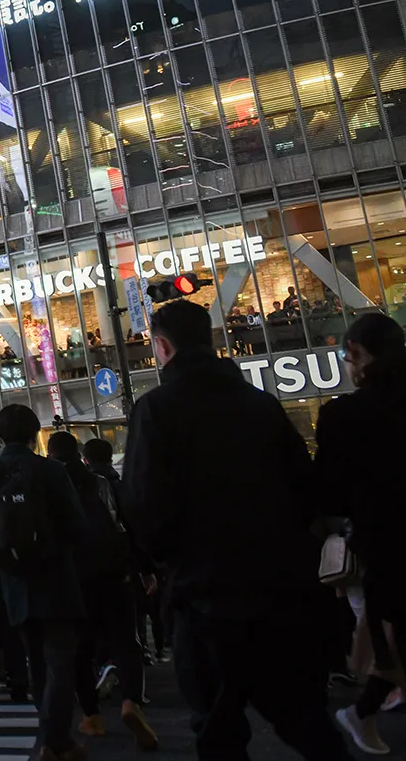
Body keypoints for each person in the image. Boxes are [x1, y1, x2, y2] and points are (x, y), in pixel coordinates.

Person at [123, 299, 353, 761]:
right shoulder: (259, 403)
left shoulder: (156, 410)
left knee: (217, 728)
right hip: (278, 585)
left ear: (162, 347)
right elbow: (304, 486)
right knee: (302, 715)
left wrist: (168, 563)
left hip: (203, 590)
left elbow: (144, 505)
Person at [0, 405, 88, 761]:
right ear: (36, 433)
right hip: (56, 577)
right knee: (60, 660)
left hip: (13, 583)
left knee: (35, 661)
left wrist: (1, 574)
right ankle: (55, 738)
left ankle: (49, 734)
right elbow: (75, 525)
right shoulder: (51, 471)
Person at [317, 312, 406, 754]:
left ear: (354, 353)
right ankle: (364, 711)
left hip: (385, 544)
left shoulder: (344, 415)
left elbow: (327, 492)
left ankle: (363, 712)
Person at [44, 430, 157, 749]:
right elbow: (128, 525)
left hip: (73, 578)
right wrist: (145, 568)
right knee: (126, 641)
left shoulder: (49, 486)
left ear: (51, 455)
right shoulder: (102, 482)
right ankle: (131, 702)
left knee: (80, 649)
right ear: (79, 455)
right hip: (114, 572)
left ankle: (92, 716)